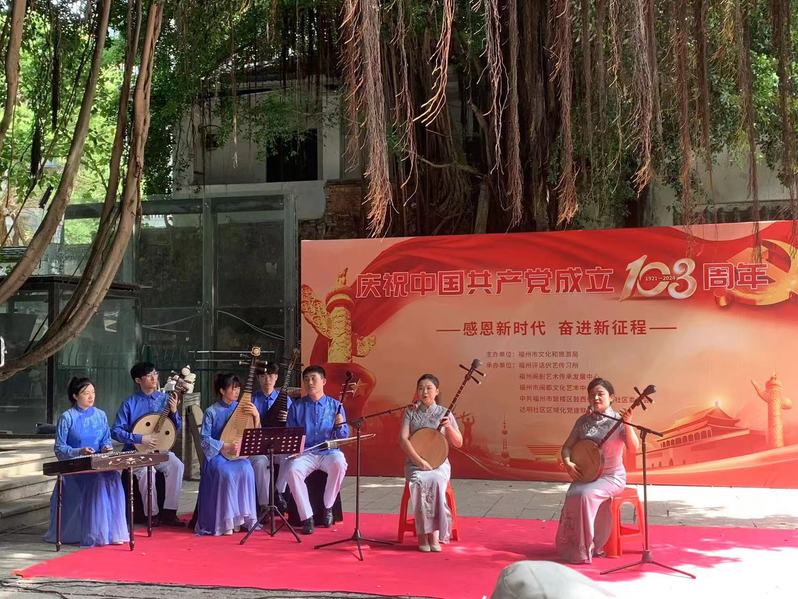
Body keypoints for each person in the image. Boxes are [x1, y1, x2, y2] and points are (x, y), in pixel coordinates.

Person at [555, 377, 640, 563]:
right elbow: (567, 447)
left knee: (585, 495)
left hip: (611, 477)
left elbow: (634, 448)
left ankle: (588, 547)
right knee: (573, 493)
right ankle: (571, 545)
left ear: (612, 398)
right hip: (588, 475)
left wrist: (628, 423)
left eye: (600, 394)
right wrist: (568, 462)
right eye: (592, 395)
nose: (595, 398)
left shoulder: (619, 421)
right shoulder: (583, 421)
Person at [44, 377, 128, 547]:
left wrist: (106, 448)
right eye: (85, 393)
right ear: (75, 396)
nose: (91, 396)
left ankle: (112, 532)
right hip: (75, 467)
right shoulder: (67, 417)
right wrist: (79, 451)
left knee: (113, 477)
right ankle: (95, 532)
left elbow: (106, 440)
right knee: (96, 480)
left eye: (93, 392)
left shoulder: (100, 415)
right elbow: (59, 448)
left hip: (97, 463)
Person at [276, 365, 348, 534]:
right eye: (306, 379)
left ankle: (328, 506)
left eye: (313, 379)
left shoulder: (335, 405)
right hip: (306, 452)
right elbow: (290, 433)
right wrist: (295, 448)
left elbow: (343, 436)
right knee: (292, 470)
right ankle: (307, 516)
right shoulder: (296, 406)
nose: (309, 383)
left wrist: (340, 425)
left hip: (328, 452)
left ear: (323, 381)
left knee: (340, 463)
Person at [111, 362, 185, 526]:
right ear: (138, 380)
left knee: (177, 465)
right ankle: (152, 514)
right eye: (149, 375)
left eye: (155, 373)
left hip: (159, 450)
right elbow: (115, 431)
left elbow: (176, 429)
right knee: (146, 472)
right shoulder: (130, 403)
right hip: (136, 451)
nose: (154, 378)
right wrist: (140, 439)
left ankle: (170, 512)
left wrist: (174, 412)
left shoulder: (165, 399)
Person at [398, 373, 462, 552]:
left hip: (439, 464)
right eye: (420, 388)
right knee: (419, 482)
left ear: (437, 391)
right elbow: (403, 440)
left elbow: (458, 442)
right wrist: (419, 461)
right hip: (415, 463)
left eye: (428, 388)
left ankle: (434, 533)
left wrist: (448, 427)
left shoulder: (444, 413)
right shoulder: (410, 412)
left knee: (435, 480)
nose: (424, 392)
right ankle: (422, 534)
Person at [195, 373, 259, 535]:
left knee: (247, 469)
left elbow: (254, 433)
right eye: (233, 388)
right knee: (226, 473)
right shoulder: (211, 411)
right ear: (222, 391)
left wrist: (256, 415)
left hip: (237, 455)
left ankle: (240, 519)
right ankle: (225, 522)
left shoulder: (243, 408)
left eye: (238, 388)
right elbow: (204, 440)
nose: (237, 391)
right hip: (217, 456)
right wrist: (225, 446)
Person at [250, 361, 291, 512]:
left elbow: (293, 425)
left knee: (289, 457)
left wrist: (288, 418)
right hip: (258, 447)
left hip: (278, 445)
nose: (267, 379)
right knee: (261, 464)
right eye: (263, 376)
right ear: (258, 378)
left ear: (276, 377)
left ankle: (278, 492)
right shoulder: (252, 400)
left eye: (271, 376)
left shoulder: (285, 399)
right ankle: (264, 505)